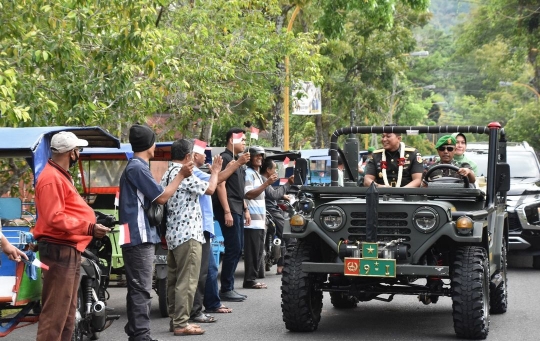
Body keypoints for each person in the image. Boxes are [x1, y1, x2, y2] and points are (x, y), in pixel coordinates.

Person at [33, 131, 110, 341]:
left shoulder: (58, 176)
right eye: (78, 150)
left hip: (67, 249)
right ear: (72, 153)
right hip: (60, 250)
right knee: (55, 315)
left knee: (67, 315)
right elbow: (55, 218)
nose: (79, 154)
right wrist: (89, 228)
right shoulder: (51, 178)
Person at [119, 124, 193, 341]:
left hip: (131, 233)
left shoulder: (133, 167)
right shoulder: (137, 168)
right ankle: (141, 335)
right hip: (138, 234)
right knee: (141, 287)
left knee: (136, 286)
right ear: (150, 145)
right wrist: (180, 176)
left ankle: (135, 331)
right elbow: (161, 197)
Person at [161, 139, 222, 336]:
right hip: (189, 234)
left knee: (174, 280)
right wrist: (215, 171)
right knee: (187, 281)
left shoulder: (167, 173)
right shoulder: (185, 174)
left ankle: (175, 320)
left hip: (173, 234)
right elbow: (210, 189)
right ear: (188, 156)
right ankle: (181, 323)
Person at [190, 143, 244, 322]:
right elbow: (215, 184)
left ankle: (211, 303)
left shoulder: (197, 172)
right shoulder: (191, 172)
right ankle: (200, 308)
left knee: (209, 268)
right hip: (196, 228)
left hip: (203, 226)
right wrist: (231, 166)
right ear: (193, 155)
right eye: (201, 153)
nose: (205, 156)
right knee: (205, 270)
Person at [212, 128, 251, 302]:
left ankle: (229, 287)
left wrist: (245, 208)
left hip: (238, 207)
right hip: (229, 209)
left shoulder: (238, 161)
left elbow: (238, 188)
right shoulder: (226, 158)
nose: (244, 142)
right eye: (241, 139)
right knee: (233, 248)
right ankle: (226, 288)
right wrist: (227, 211)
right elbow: (220, 185)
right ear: (230, 140)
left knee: (238, 247)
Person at [243, 146, 277, 289]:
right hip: (252, 221)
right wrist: (266, 183)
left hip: (260, 220)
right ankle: (249, 280)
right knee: (252, 252)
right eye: (256, 155)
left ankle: (253, 279)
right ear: (249, 157)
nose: (259, 158)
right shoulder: (248, 173)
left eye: (261, 156)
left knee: (258, 251)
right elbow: (248, 194)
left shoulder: (257, 174)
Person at [260, 158, 294, 275]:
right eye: (274, 168)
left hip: (270, 209)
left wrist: (283, 196)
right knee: (287, 234)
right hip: (270, 211)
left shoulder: (264, 179)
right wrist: (288, 183)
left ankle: (281, 265)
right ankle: (287, 265)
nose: (275, 171)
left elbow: (271, 194)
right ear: (268, 170)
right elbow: (273, 195)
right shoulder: (264, 179)